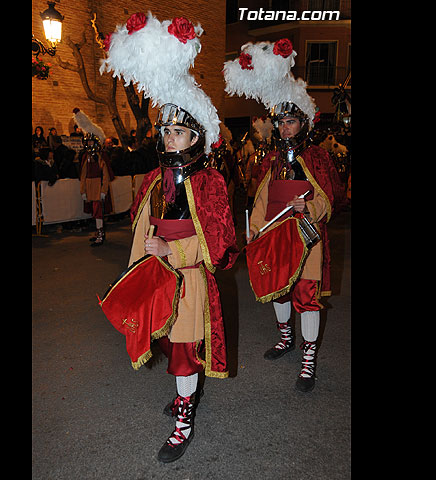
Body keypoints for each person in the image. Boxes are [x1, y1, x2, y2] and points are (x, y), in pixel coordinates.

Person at [100, 12, 238, 463]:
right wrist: (141, 257)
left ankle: (183, 422)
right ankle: (184, 398)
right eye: (165, 129)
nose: (168, 136)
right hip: (159, 273)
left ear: (197, 136)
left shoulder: (212, 182)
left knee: (182, 350)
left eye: (177, 130)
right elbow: (145, 222)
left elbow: (219, 242)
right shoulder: (158, 176)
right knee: (164, 340)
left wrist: (174, 249)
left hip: (190, 275)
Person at [224, 39, 346, 393]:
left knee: (306, 294)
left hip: (308, 237)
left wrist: (311, 206)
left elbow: (332, 197)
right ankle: (286, 339)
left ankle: (309, 359)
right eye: (280, 123)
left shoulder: (319, 158)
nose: (284, 129)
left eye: (290, 122)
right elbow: (261, 197)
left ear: (302, 122)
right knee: (279, 290)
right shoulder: (272, 160)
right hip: (277, 237)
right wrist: (255, 231)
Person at [77, 133, 113, 246]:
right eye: (88, 142)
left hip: (98, 186)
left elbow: (106, 175)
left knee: (98, 212)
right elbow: (83, 174)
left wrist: (104, 190)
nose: (89, 144)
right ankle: (97, 232)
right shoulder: (85, 156)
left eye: (91, 141)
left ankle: (100, 234)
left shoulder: (101, 156)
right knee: (94, 211)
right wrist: (83, 190)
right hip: (89, 186)